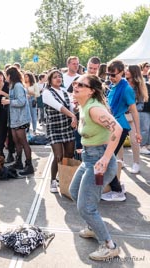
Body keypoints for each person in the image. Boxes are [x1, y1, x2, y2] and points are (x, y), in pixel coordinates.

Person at [69, 74, 122, 261]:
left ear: (91, 90)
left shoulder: (93, 109)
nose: (76, 86)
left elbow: (117, 129)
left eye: (81, 85)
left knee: (86, 206)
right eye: (75, 83)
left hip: (99, 161)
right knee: (74, 191)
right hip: (89, 158)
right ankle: (92, 227)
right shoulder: (84, 106)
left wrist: (106, 158)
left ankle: (109, 245)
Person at [101, 60, 141, 202]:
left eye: (114, 74)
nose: (111, 77)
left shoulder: (126, 89)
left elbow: (134, 111)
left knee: (108, 159)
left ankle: (117, 191)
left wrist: (138, 132)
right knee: (110, 158)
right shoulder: (113, 86)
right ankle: (118, 187)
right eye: (109, 74)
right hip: (112, 126)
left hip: (121, 127)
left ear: (122, 72)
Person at [42, 70, 77, 193]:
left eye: (60, 77)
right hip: (54, 128)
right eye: (55, 77)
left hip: (66, 127)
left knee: (69, 155)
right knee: (58, 155)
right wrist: (73, 116)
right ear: (50, 80)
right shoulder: (46, 92)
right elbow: (59, 107)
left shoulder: (65, 92)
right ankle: (52, 180)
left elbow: (72, 107)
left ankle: (62, 178)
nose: (58, 79)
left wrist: (77, 106)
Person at [3, 66, 35, 176]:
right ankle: (18, 162)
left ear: (10, 75)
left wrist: (8, 102)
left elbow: (21, 102)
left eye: (5, 75)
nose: (5, 77)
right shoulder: (12, 86)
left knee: (23, 141)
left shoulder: (17, 86)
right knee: (17, 141)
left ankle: (29, 165)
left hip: (21, 118)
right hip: (15, 119)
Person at [124, 64, 148, 173]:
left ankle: (136, 163)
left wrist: (132, 109)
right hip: (119, 115)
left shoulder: (139, 86)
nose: (125, 71)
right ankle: (120, 161)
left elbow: (141, 104)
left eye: (128, 70)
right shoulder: (122, 83)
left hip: (132, 117)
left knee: (134, 141)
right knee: (118, 140)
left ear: (133, 72)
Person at [0, 70, 16, 163]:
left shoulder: (8, 85)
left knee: (10, 132)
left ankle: (11, 153)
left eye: (1, 75)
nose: (0, 77)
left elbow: (13, 97)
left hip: (9, 112)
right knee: (1, 132)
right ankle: (0, 151)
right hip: (0, 113)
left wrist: (2, 93)